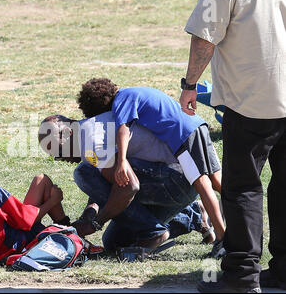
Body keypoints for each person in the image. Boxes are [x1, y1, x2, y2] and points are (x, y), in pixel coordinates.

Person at [180, 0, 286, 293]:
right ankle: (282, 270)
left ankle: (241, 275)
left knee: (242, 188)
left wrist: (190, 85)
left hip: (251, 98)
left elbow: (205, 34)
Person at [76, 78, 226, 255]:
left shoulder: (122, 100)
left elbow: (123, 128)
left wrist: (122, 160)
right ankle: (238, 224)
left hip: (182, 135)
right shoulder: (131, 93)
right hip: (193, 127)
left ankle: (223, 239)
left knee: (203, 184)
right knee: (219, 183)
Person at [38, 113, 215, 253]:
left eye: (59, 152)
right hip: (176, 182)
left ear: (68, 133)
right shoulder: (87, 134)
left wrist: (95, 223)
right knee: (114, 242)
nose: (61, 159)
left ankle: (154, 232)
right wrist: (89, 213)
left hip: (176, 178)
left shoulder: (89, 140)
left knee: (83, 172)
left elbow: (129, 186)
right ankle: (193, 216)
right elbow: (107, 180)